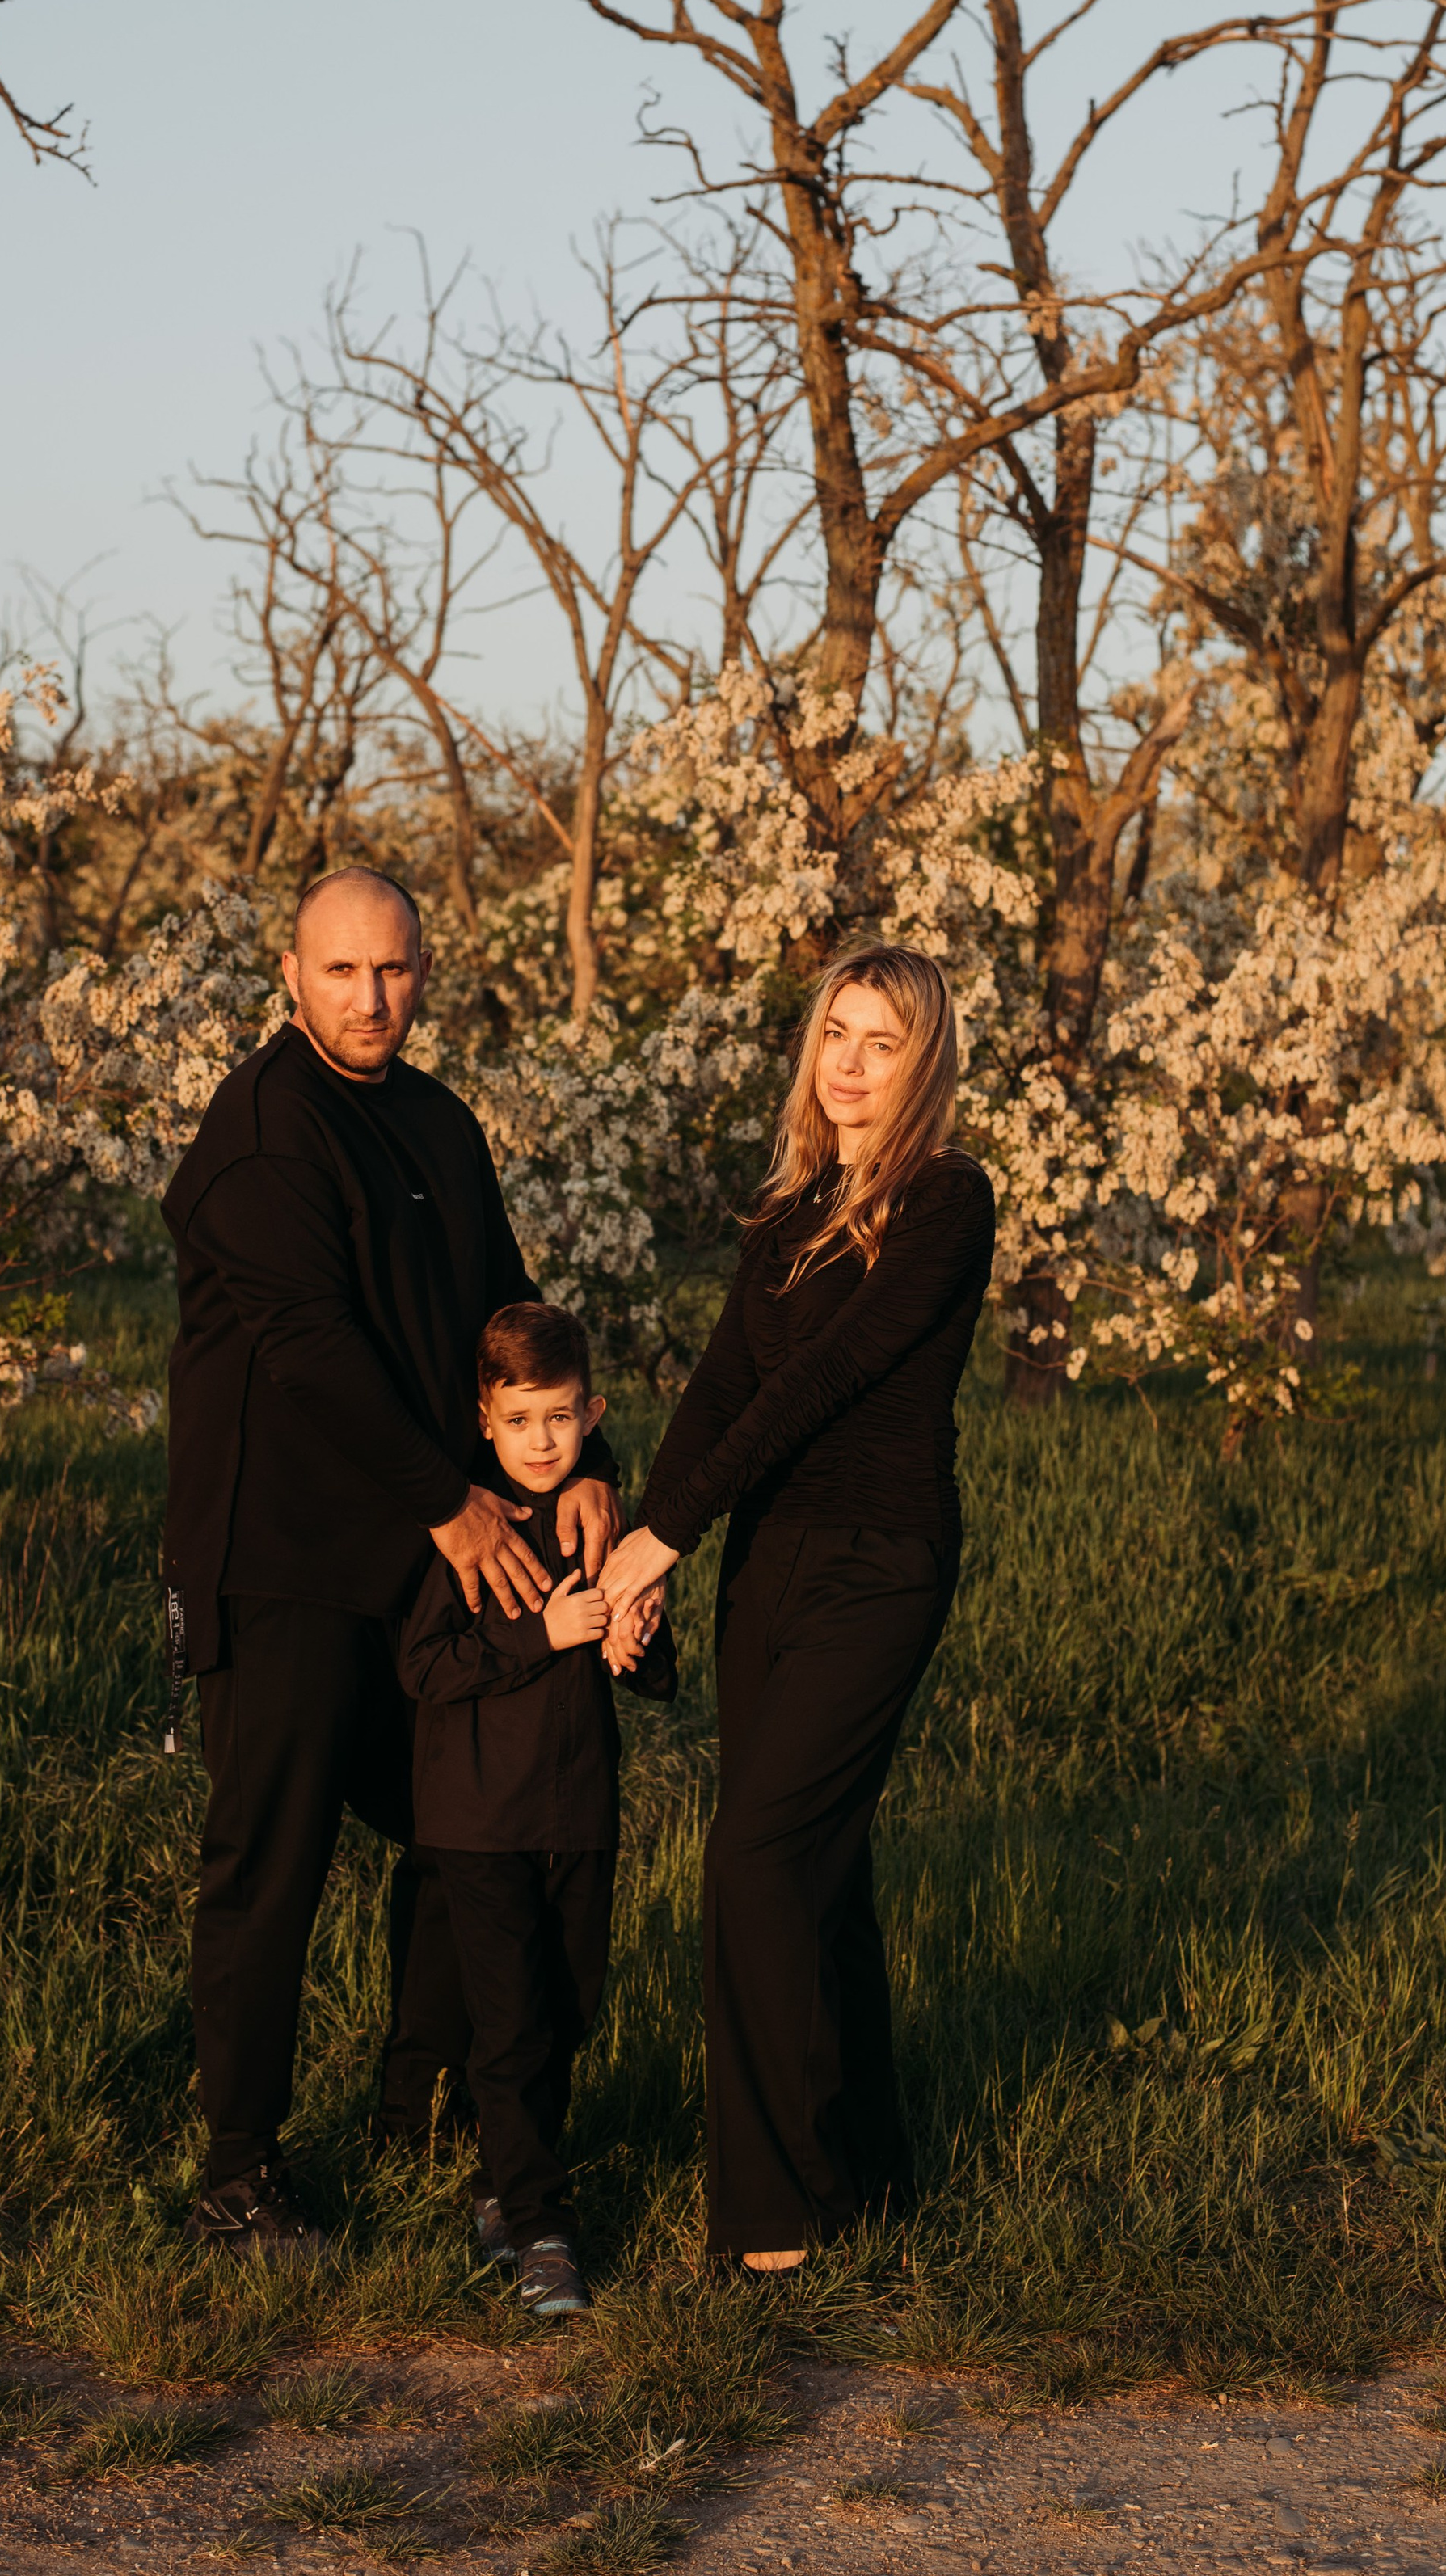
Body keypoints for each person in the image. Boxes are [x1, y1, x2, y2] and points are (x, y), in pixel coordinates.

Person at [161, 866, 621, 2250]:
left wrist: (589, 1466)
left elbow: (511, 1321)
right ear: (291, 976)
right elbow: (311, 1351)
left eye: (398, 971)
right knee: (275, 1858)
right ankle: (237, 2173)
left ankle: (427, 2117)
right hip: (286, 1558)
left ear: (426, 973)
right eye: (344, 972)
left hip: (424, 1559)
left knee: (460, 1826)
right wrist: (456, 1505)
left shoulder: (436, 1122)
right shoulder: (260, 1130)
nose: (373, 999)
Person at [597, 942, 994, 2272]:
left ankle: (775, 2225)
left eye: (884, 1043)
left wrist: (667, 1532)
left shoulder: (947, 1200)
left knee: (756, 1866)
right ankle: (871, 2183)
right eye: (838, 1034)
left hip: (877, 1565)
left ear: (923, 1061)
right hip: (768, 1564)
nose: (852, 1064)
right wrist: (634, 1560)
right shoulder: (784, 1214)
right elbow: (720, 1388)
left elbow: (832, 1375)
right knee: (817, 1879)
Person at [398, 1301, 675, 2318]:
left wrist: (636, 1636)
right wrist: (545, 1633)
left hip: (579, 1813)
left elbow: (655, 1676)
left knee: (568, 2012)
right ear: (486, 1419)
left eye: (560, 1417)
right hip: (479, 1822)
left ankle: (499, 2184)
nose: (543, 1441)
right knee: (511, 2027)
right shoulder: (470, 1529)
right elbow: (422, 1667)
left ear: (592, 1410)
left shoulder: (600, 1521)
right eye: (521, 1421)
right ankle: (542, 2226)